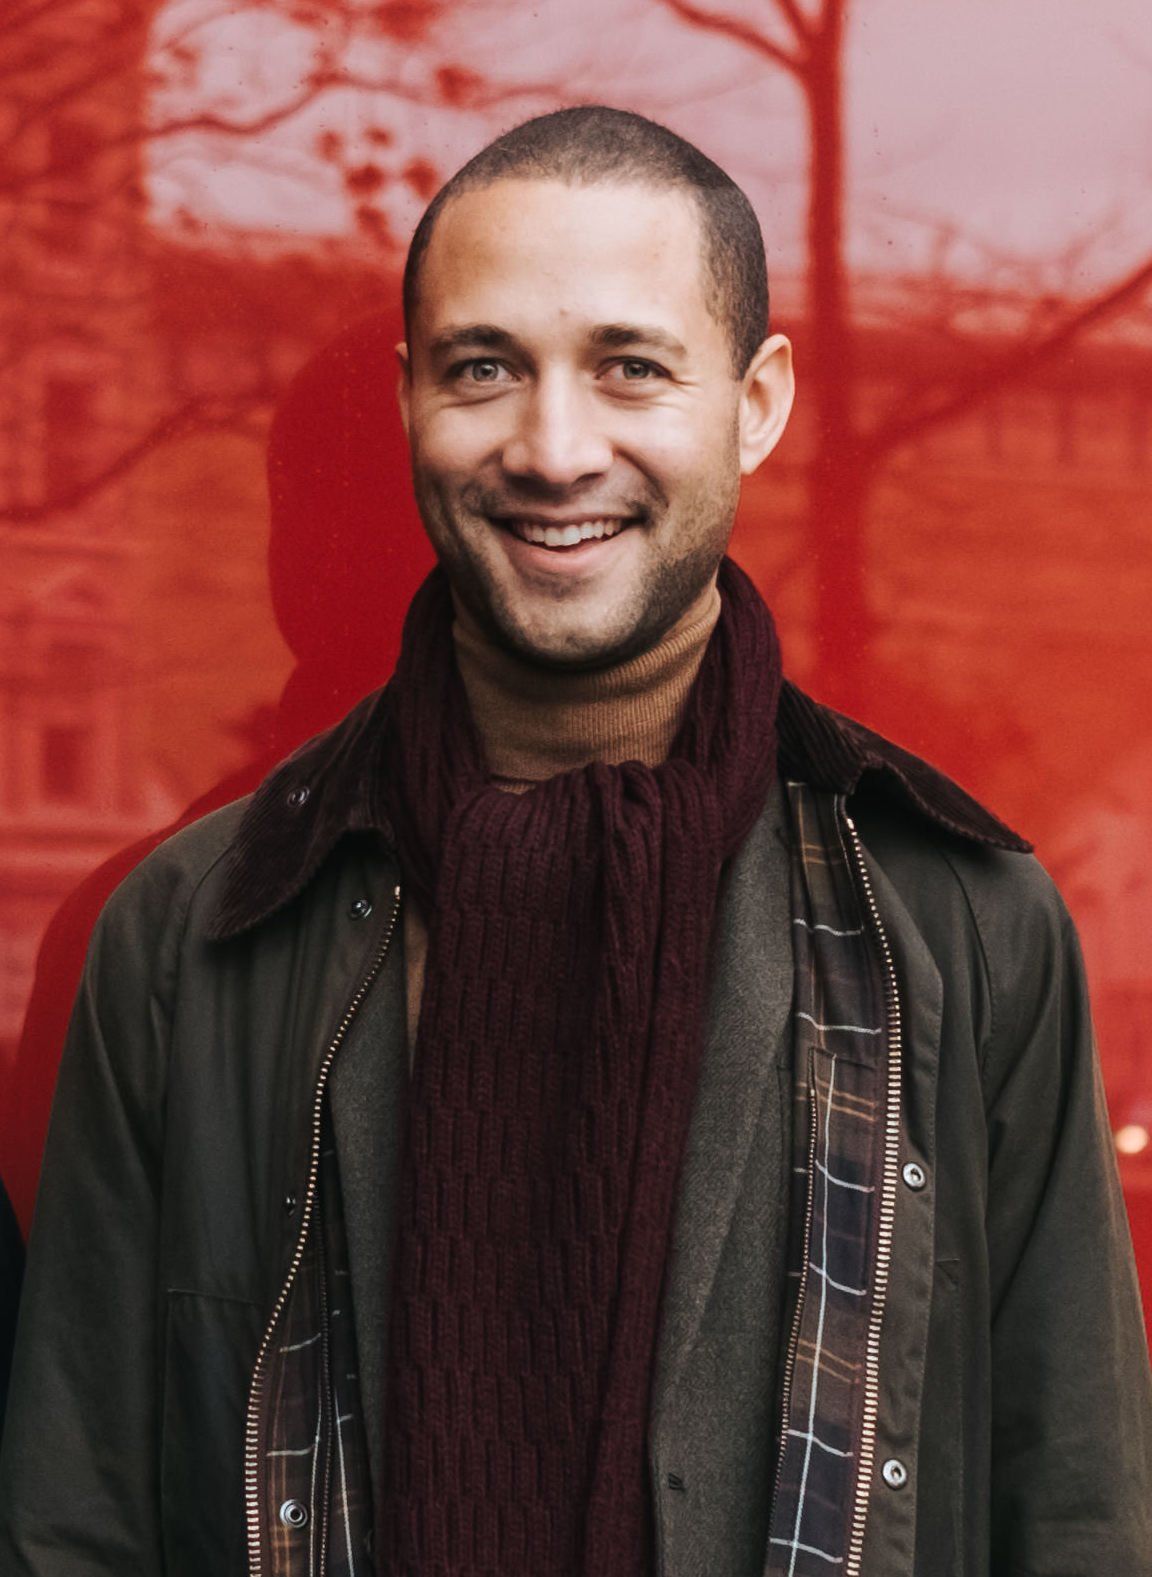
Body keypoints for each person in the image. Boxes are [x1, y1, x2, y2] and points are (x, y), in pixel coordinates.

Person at [1, 104, 1149, 1577]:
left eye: (631, 368)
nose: (555, 448)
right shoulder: (188, 937)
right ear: (412, 397)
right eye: (485, 368)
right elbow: (70, 1523)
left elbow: (1080, 1519)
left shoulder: (967, 924)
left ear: (755, 401)